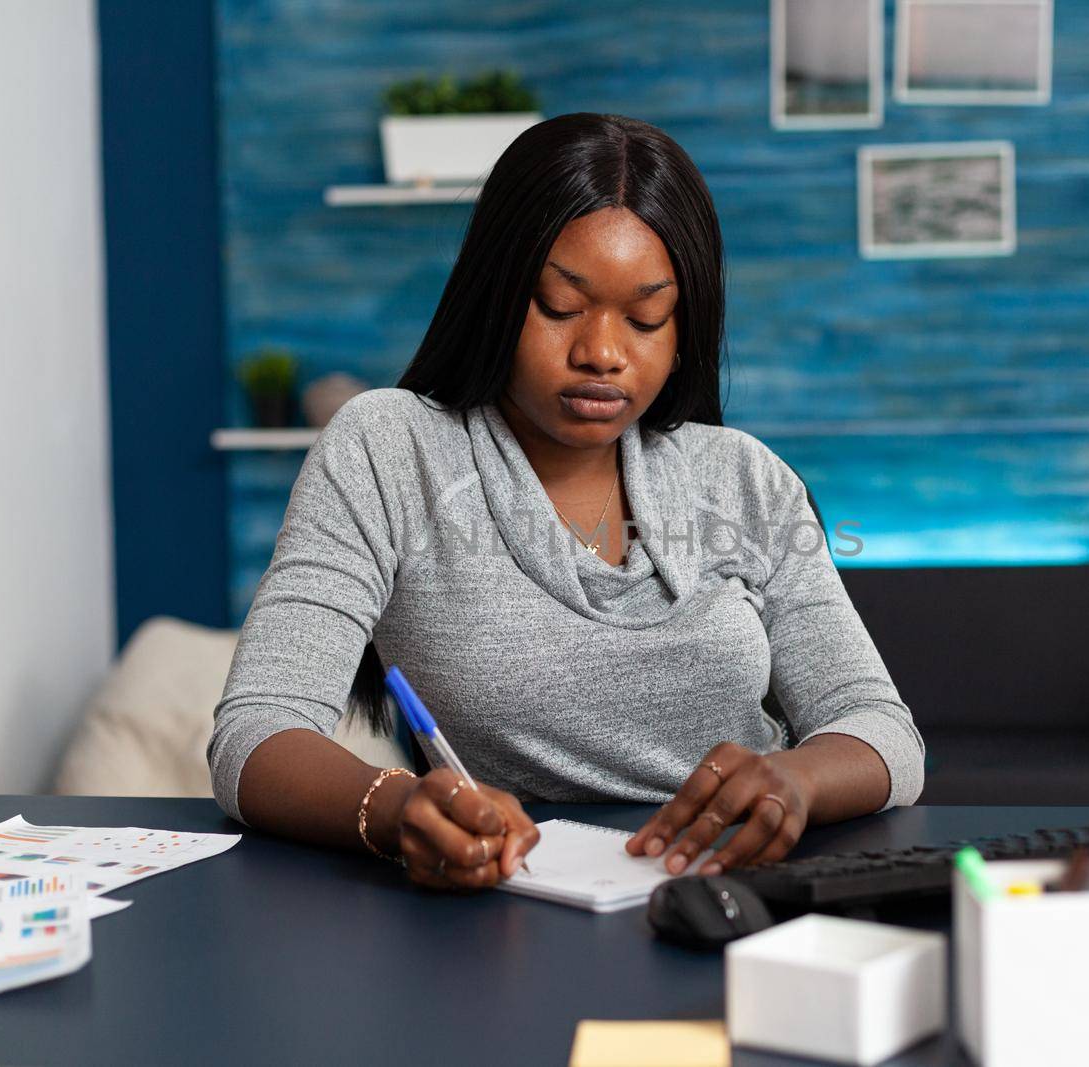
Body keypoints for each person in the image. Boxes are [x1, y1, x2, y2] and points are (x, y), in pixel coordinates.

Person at [208, 112, 924, 891]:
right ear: (497, 292)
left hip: (734, 893)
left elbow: (884, 730)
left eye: (647, 317)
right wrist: (397, 806)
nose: (602, 354)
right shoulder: (390, 449)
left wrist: (798, 780)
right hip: (508, 902)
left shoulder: (745, 477)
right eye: (559, 306)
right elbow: (255, 731)